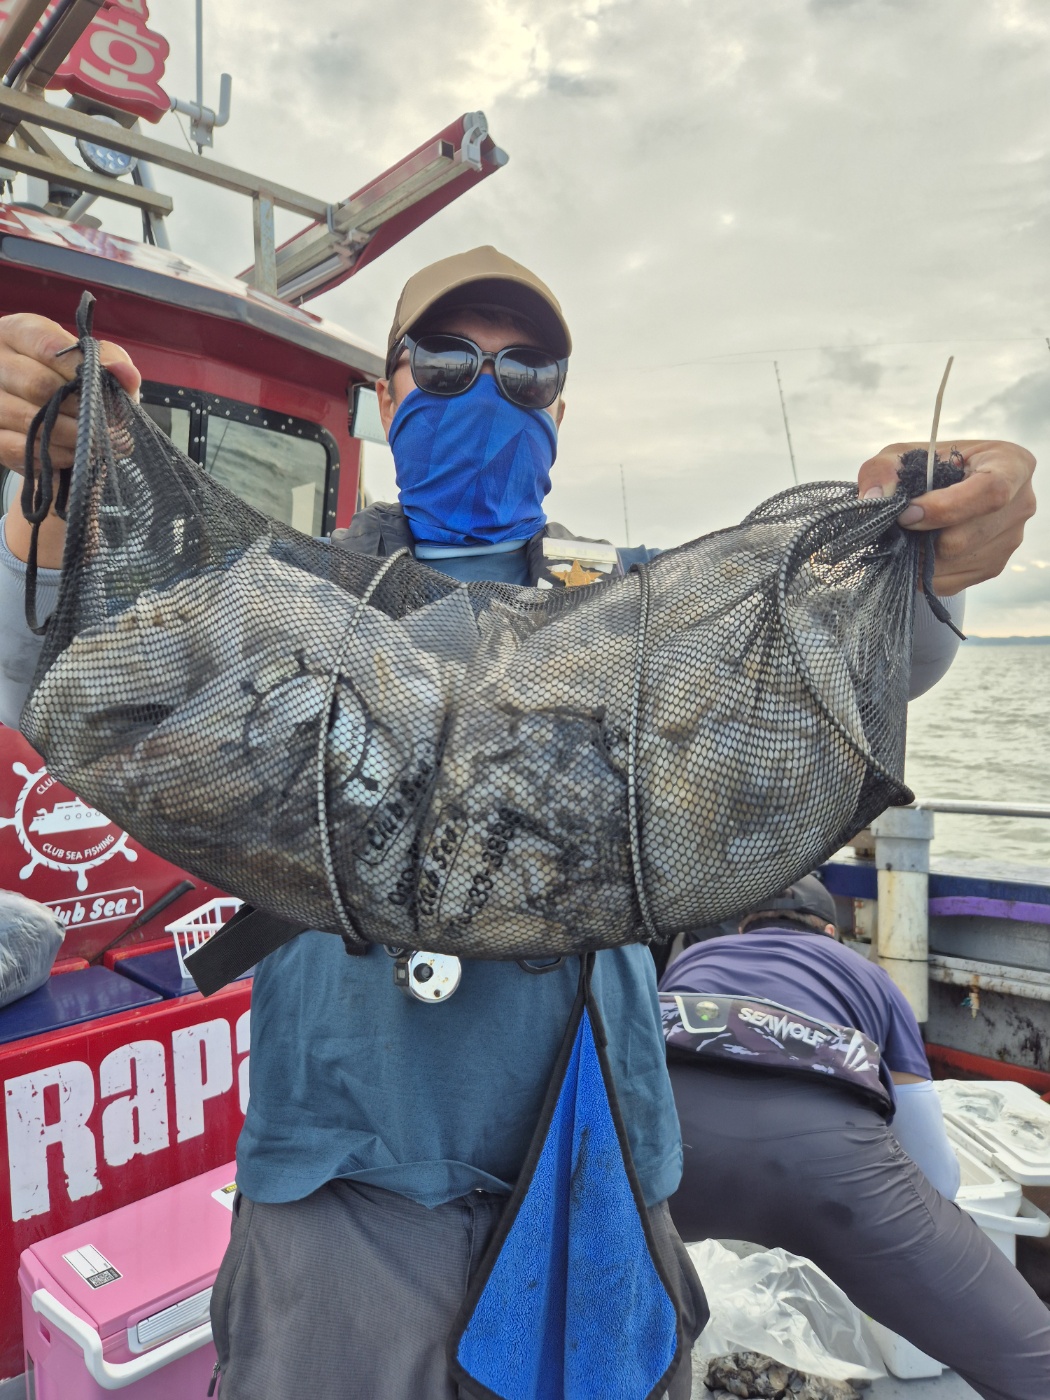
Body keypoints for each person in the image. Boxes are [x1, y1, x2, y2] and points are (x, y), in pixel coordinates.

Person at [0, 246, 1037, 1399]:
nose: (486, 389)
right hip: (343, 1172)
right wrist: (53, 498)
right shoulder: (272, 594)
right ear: (388, 391)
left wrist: (934, 552)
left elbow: (849, 663)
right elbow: (58, 670)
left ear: (560, 407)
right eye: (446, 362)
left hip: (598, 1145)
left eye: (526, 370)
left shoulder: (647, 609)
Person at [659, 876, 1050, 1400]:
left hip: (668, 1155)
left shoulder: (692, 959)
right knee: (1032, 1363)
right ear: (830, 932)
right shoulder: (868, 974)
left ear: (744, 927)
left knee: (616, 1334)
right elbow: (936, 1173)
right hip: (831, 1165)